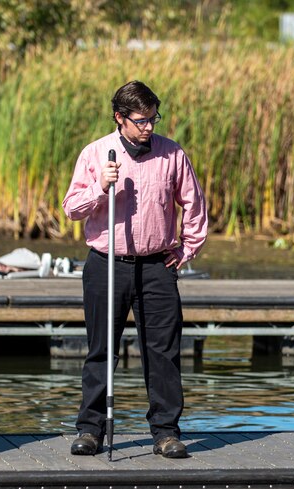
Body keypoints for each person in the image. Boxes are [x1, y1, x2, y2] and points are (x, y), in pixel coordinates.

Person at [62, 80, 208, 458]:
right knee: (101, 349)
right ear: (120, 118)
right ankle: (90, 429)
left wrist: (188, 248)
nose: (148, 127)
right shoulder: (96, 154)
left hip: (157, 265)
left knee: (163, 351)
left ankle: (165, 431)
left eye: (153, 120)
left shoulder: (171, 154)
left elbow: (192, 203)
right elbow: (72, 208)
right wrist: (99, 186)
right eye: (141, 121)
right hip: (107, 263)